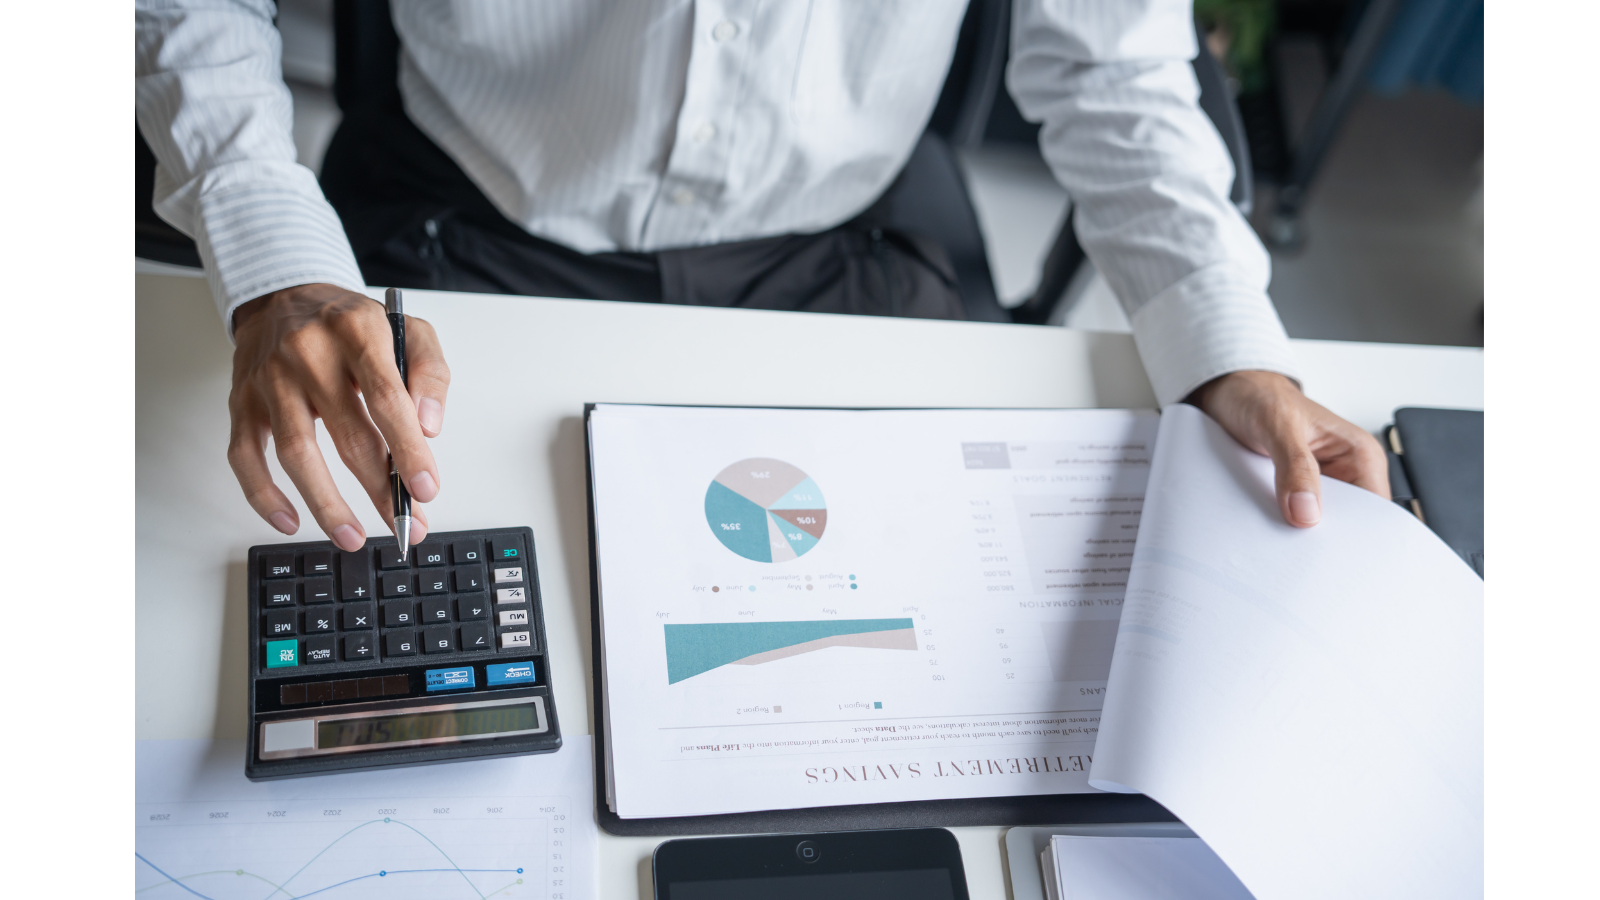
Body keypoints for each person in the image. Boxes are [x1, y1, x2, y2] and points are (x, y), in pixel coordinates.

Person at [135, 0, 1388, 552]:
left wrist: (1230, 353)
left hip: (838, 242)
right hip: (466, 208)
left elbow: (1114, 67)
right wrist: (277, 260)